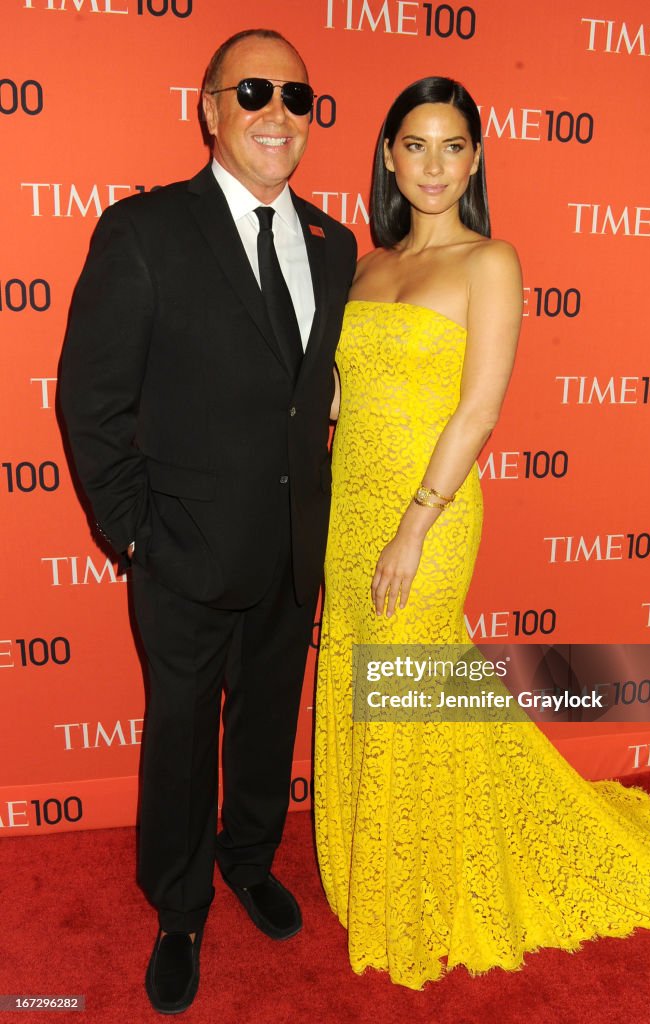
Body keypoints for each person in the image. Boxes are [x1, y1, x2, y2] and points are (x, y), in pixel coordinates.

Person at [313, 76, 650, 990]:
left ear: (476, 158)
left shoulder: (491, 261)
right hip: (345, 512)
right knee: (374, 686)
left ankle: (418, 882)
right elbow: (339, 401)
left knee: (404, 679)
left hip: (425, 519)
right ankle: (380, 862)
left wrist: (411, 529)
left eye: (452, 147)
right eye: (415, 145)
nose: (433, 165)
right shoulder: (365, 267)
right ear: (388, 157)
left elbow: (478, 412)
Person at [60, 29, 356, 1014]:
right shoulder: (143, 231)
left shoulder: (333, 242)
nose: (279, 113)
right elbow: (91, 403)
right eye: (255, 92)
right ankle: (179, 906)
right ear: (210, 108)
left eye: (297, 98)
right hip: (182, 554)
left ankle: (247, 859)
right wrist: (136, 534)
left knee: (267, 722)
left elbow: (302, 398)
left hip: (288, 552)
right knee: (182, 736)